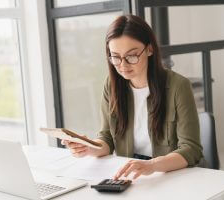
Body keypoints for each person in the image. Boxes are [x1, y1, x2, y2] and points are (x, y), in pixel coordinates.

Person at [62, 14, 203, 180]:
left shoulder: (178, 86)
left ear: (149, 49)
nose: (123, 65)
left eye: (131, 56)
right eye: (115, 56)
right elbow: (107, 138)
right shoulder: (112, 85)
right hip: (131, 175)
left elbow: (191, 149)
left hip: (170, 175)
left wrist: (152, 165)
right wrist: (89, 148)